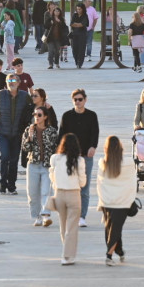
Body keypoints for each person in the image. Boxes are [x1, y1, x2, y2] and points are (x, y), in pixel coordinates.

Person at [57, 88, 99, 227]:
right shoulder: (67, 116)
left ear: (85, 100)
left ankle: (82, 216)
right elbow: (61, 135)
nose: (78, 102)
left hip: (86, 156)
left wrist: (93, 146)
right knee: (70, 186)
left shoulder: (92, 115)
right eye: (75, 100)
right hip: (70, 156)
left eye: (80, 99)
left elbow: (95, 133)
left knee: (84, 187)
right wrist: (60, 153)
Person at [0, 73, 32, 195]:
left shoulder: (24, 95)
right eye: (9, 80)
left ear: (18, 83)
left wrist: (44, 106)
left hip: (18, 134)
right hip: (3, 133)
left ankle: (12, 185)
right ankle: (3, 183)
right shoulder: (1, 94)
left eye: (13, 80)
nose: (11, 82)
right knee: (5, 157)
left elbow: (33, 108)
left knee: (13, 160)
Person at [46, 133, 86, 265]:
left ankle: (66, 251)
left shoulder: (55, 158)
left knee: (63, 226)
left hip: (59, 194)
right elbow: (82, 182)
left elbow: (51, 175)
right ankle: (67, 256)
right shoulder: (79, 160)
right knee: (72, 228)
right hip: (74, 194)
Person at [96, 136, 136, 266]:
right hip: (122, 201)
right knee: (116, 228)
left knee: (111, 228)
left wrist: (102, 199)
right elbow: (132, 182)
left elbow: (100, 183)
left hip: (108, 200)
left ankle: (117, 251)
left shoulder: (103, 163)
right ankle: (110, 254)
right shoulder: (129, 163)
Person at [21, 105, 58, 227]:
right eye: (35, 115)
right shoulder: (28, 130)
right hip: (33, 164)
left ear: (45, 117)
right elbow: (25, 149)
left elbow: (54, 147)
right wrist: (30, 137)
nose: (36, 117)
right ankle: (37, 216)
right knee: (32, 193)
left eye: (39, 115)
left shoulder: (52, 131)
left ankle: (46, 216)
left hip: (47, 165)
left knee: (46, 191)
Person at [69, 3, 90, 69]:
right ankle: (76, 61)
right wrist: (78, 24)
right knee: (74, 48)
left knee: (81, 49)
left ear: (83, 9)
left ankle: (80, 63)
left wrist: (77, 24)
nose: (78, 10)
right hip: (74, 34)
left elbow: (83, 24)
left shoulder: (85, 16)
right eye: (77, 9)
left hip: (82, 35)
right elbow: (72, 24)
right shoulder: (74, 15)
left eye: (79, 9)